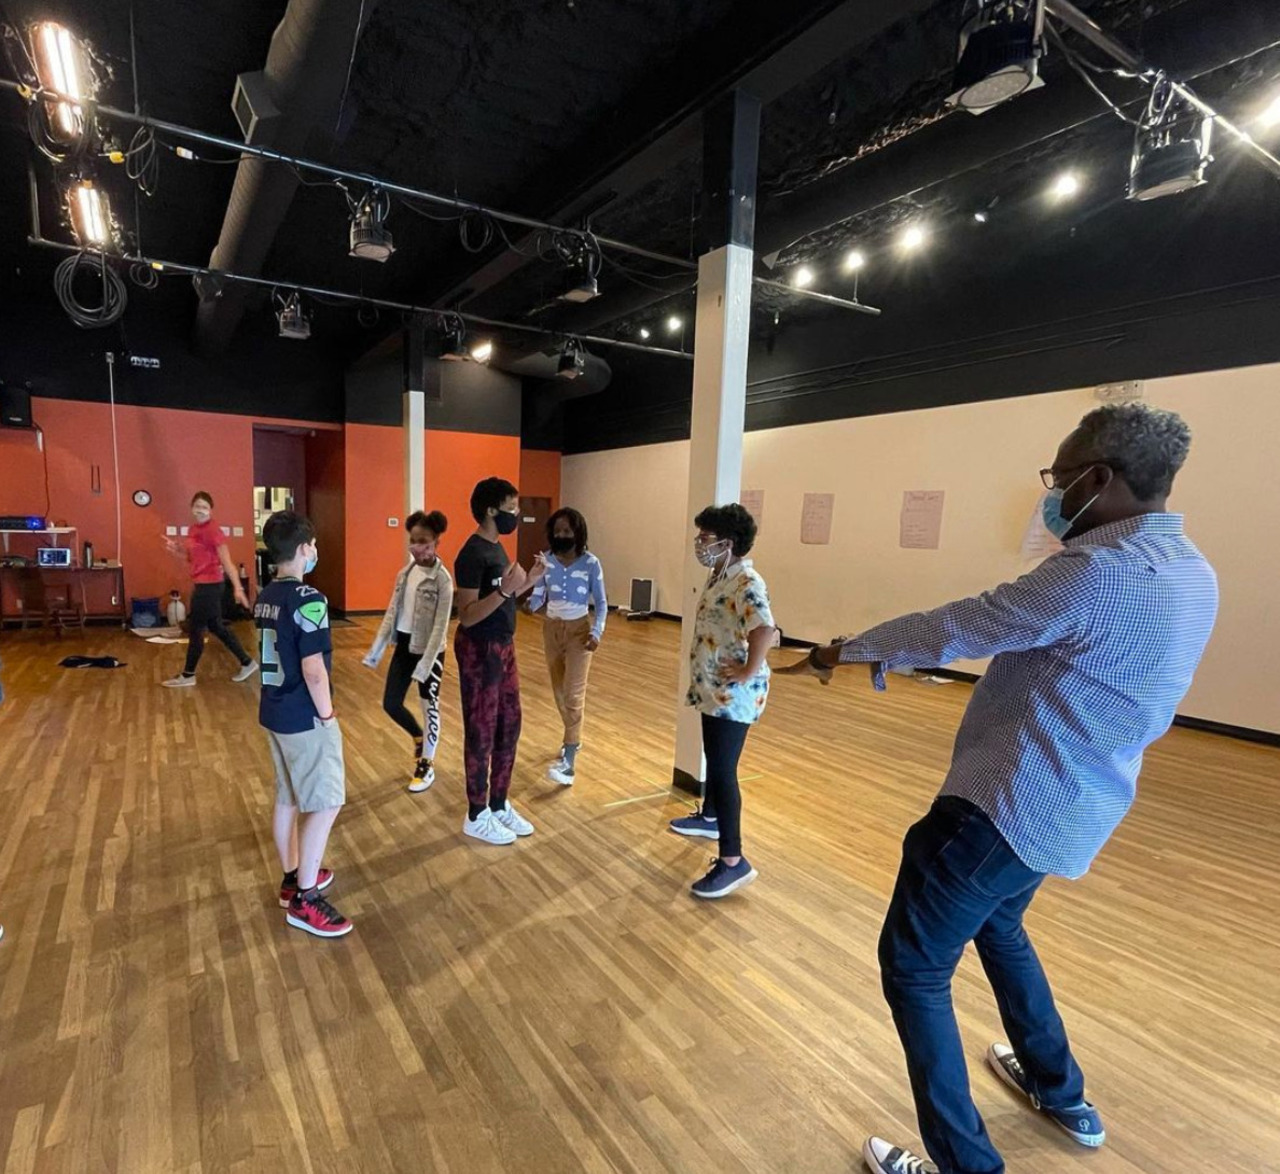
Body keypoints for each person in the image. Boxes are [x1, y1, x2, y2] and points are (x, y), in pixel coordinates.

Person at [779, 403, 1218, 1174]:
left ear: (1099, 478)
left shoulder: (1094, 574)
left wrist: (843, 651)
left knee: (915, 970)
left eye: (1060, 475)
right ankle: (1060, 1090)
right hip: (1076, 810)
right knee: (1002, 926)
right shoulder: (1193, 572)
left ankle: (968, 1164)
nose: (1052, 493)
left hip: (999, 811)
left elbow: (964, 625)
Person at [668, 503, 776, 899]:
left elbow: (765, 630)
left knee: (723, 769)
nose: (700, 544)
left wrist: (748, 671)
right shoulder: (720, 575)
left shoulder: (746, 581)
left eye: (706, 538)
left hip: (733, 695)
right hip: (713, 689)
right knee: (714, 758)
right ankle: (711, 816)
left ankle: (733, 861)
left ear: (728, 543)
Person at [254, 510, 351, 938]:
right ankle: (305, 900)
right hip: (303, 715)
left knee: (288, 796)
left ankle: (292, 877)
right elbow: (314, 669)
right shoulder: (309, 598)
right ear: (302, 548)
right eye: (312, 545)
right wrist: (327, 716)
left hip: (275, 711)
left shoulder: (265, 595)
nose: (315, 551)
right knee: (326, 803)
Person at [452, 477, 545, 845]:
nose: (516, 514)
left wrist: (527, 582)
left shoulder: (497, 548)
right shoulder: (471, 554)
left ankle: (499, 803)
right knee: (482, 730)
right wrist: (506, 590)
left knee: (509, 725)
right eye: (511, 507)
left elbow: (502, 598)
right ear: (491, 510)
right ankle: (476, 814)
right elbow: (468, 615)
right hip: (480, 649)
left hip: (504, 645)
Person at [363, 509, 454, 793]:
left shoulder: (443, 581)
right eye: (413, 540)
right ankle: (417, 736)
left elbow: (440, 628)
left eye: (423, 541)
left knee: (430, 708)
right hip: (404, 646)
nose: (417, 547)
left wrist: (426, 664)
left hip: (430, 652)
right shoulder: (405, 574)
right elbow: (392, 613)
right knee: (391, 703)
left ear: (436, 542)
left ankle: (426, 764)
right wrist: (376, 650)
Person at [527, 507, 607, 785]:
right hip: (551, 629)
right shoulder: (546, 561)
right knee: (559, 691)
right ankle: (573, 735)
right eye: (557, 531)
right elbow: (539, 595)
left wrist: (596, 632)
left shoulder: (591, 563)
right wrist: (527, 602)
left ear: (578, 533)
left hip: (579, 632)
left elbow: (602, 603)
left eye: (567, 531)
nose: (562, 535)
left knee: (573, 694)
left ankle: (569, 760)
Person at [162, 491, 258, 688]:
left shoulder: (214, 530)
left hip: (210, 586)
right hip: (201, 583)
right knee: (216, 626)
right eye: (197, 506)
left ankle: (188, 675)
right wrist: (177, 549)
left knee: (196, 628)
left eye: (205, 507)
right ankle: (247, 662)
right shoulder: (193, 530)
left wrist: (238, 588)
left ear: (211, 510)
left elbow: (227, 562)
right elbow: (192, 558)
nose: (201, 510)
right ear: (192, 508)